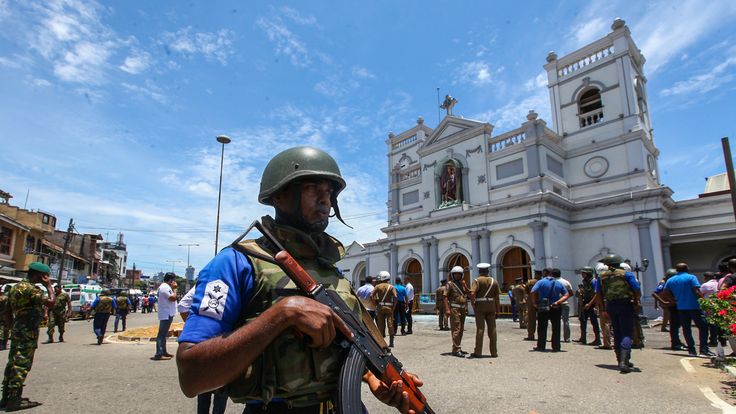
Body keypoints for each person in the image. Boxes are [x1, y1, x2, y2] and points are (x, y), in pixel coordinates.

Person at [176, 147, 421, 412]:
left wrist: (372, 376)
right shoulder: (236, 263)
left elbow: (340, 344)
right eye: (312, 188)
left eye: (329, 192)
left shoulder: (329, 269)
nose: (325, 199)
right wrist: (283, 313)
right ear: (278, 195)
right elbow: (192, 376)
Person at [1, 262, 56, 411]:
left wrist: (11, 328)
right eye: (45, 276)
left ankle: (6, 397)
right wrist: (49, 286)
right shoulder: (31, 290)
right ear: (40, 276)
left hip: (17, 330)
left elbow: (7, 312)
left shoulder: (14, 288)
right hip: (28, 331)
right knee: (22, 364)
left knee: (12, 362)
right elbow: (52, 302)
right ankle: (14, 400)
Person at [178, 287, 228, 414]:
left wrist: (194, 328)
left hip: (203, 341)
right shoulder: (233, 281)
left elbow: (183, 306)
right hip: (224, 341)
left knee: (204, 390)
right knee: (221, 391)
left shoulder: (203, 284)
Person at [592, 255, 641, 373]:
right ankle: (624, 361)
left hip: (611, 305)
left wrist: (602, 309)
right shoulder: (626, 274)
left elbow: (598, 294)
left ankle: (620, 359)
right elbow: (636, 289)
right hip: (625, 304)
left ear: (607, 265)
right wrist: (636, 301)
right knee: (626, 333)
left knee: (617, 332)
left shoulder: (601, 276)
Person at [664, 263, 713, 357]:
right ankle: (703, 349)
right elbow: (696, 291)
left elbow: (665, 292)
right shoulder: (691, 277)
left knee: (686, 329)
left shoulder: (671, 280)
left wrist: (674, 300)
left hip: (681, 307)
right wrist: (704, 302)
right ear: (687, 269)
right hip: (694, 306)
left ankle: (691, 350)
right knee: (703, 327)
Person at [530, 269, 569, 352]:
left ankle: (541, 346)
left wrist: (534, 303)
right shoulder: (558, 283)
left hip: (543, 306)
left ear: (544, 273)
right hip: (555, 307)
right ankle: (556, 347)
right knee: (556, 327)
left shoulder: (540, 282)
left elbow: (533, 291)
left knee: (542, 327)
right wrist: (558, 302)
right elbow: (566, 295)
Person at [469, 263, 499, 358]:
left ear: (479, 271)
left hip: (480, 305)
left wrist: (473, 303)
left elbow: (472, 293)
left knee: (480, 329)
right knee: (492, 329)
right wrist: (497, 310)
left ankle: (478, 352)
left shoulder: (477, 281)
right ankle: (494, 352)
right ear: (487, 271)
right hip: (491, 305)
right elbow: (497, 297)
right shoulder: (494, 281)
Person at [651, 269, 683, 350]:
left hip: (673, 304)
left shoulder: (671, 283)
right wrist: (663, 302)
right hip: (668, 304)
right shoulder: (663, 283)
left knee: (674, 322)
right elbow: (655, 293)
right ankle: (675, 341)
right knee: (670, 319)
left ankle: (676, 340)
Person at [444, 265, 469, 357]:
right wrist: (447, 309)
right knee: (456, 329)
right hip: (454, 309)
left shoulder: (462, 284)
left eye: (459, 274)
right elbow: (445, 297)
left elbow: (468, 294)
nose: (457, 276)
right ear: (452, 275)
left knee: (461, 329)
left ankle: (457, 347)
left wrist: (465, 286)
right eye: (455, 274)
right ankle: (456, 349)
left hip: (462, 309)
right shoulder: (450, 284)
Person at [152, 274, 177, 361]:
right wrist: (175, 289)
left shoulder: (165, 287)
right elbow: (173, 298)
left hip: (167, 313)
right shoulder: (165, 287)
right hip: (166, 313)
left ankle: (163, 351)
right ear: (170, 280)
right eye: (173, 280)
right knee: (161, 334)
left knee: (164, 334)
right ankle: (159, 354)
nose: (174, 282)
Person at [371, 271, 397, 348]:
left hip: (380, 307)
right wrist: (394, 307)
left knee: (380, 324)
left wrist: (375, 304)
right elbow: (395, 297)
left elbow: (372, 295)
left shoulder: (377, 286)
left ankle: (381, 342)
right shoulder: (391, 287)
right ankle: (391, 342)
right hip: (389, 307)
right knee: (390, 323)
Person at [700, 272, 725, 347]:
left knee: (712, 324)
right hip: (719, 305)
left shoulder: (705, 285)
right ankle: (723, 340)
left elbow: (699, 294)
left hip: (709, 307)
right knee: (720, 324)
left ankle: (713, 340)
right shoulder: (718, 284)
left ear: (706, 277)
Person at [577, 267, 601, 346]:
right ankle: (583, 338)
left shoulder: (593, 281)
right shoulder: (585, 281)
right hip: (585, 302)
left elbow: (596, 294)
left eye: (584, 273)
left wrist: (590, 304)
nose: (582, 274)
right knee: (582, 320)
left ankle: (597, 339)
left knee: (594, 321)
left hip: (592, 303)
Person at [552, 269, 574, 343]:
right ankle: (567, 338)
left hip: (555, 303)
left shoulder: (552, 282)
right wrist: (564, 298)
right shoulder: (566, 282)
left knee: (555, 321)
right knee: (566, 321)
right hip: (565, 303)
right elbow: (571, 293)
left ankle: (556, 337)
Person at [524, 274, 539, 341]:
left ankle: (531, 335)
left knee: (531, 319)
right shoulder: (543, 281)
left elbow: (526, 291)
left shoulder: (530, 282)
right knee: (542, 319)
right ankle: (542, 336)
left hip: (531, 301)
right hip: (541, 300)